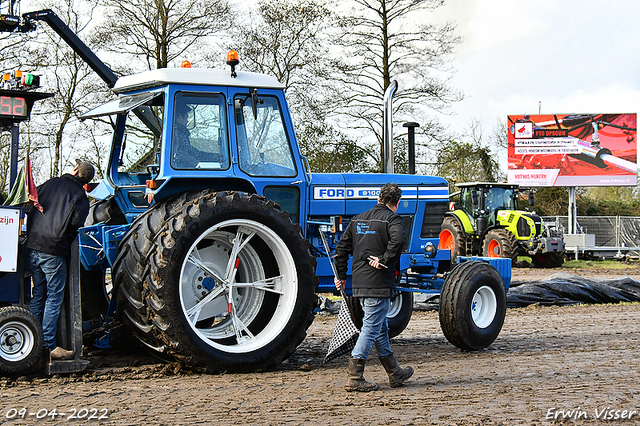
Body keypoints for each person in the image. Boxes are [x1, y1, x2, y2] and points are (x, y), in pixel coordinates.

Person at [334, 183, 414, 392]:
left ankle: (395, 372)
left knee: (380, 328)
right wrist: (384, 260)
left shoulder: (358, 219)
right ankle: (355, 376)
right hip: (378, 284)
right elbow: (399, 240)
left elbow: (341, 249)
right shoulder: (392, 219)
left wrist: (341, 276)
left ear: (379, 198)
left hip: (359, 282)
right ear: (395, 203)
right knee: (370, 328)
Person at [26, 160, 94, 360]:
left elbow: (32, 206)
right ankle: (49, 345)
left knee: (38, 293)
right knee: (55, 296)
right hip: (53, 250)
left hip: (32, 246)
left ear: (75, 170)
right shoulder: (80, 197)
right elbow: (75, 225)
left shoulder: (49, 183)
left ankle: (33, 341)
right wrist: (64, 241)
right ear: (86, 181)